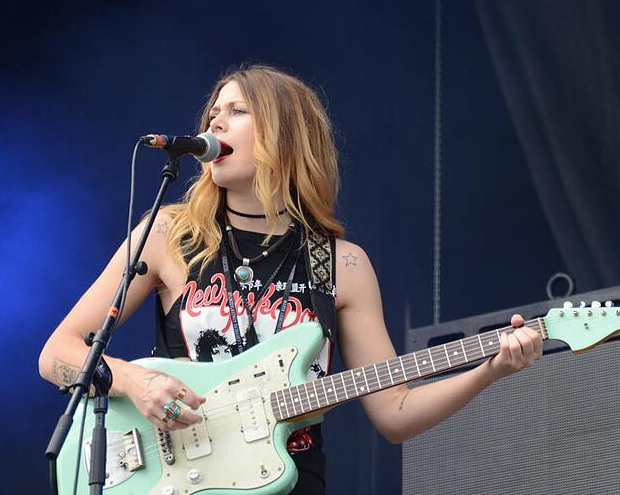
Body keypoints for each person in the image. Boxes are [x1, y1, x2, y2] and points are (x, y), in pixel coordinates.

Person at [38, 64, 543, 494]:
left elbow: (395, 412)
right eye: (214, 111)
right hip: (178, 476)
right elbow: (57, 352)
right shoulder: (170, 234)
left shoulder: (342, 265)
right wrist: (136, 380)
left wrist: (488, 371)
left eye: (237, 111)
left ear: (285, 133)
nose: (216, 119)